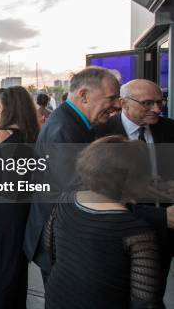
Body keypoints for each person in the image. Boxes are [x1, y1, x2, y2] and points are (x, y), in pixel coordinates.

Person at [24, 66, 120, 285]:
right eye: (112, 98)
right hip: (60, 244)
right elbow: (84, 195)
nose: (116, 105)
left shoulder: (73, 122)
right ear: (84, 95)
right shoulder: (64, 131)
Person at [44, 136, 163, 308]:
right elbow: (145, 302)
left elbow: (50, 248)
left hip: (58, 298)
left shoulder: (66, 200)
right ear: (135, 180)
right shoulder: (137, 233)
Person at [94, 79, 174, 302]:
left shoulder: (169, 129)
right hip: (119, 233)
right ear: (123, 103)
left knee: (151, 297)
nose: (157, 109)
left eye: (160, 101)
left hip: (162, 236)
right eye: (148, 103)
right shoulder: (100, 135)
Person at [0, 86, 40, 309]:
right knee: (16, 271)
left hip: (2, 214)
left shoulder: (2, 135)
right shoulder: (34, 134)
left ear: (11, 107)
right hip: (23, 212)